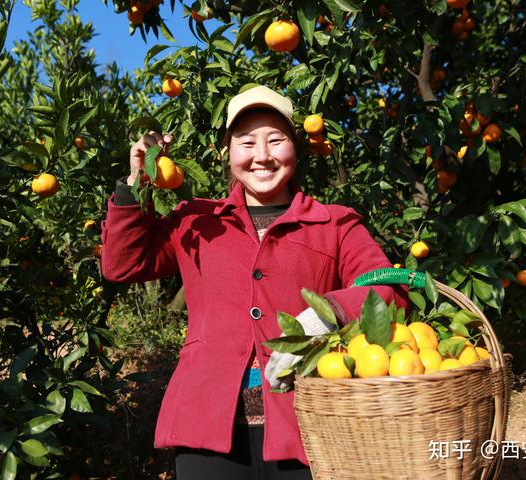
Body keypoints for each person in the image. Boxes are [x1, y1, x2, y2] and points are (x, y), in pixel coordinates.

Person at [101, 85, 408, 480]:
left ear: (295, 148)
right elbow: (123, 265)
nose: (262, 155)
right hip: (207, 430)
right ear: (228, 152)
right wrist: (133, 184)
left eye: (275, 140)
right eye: (247, 142)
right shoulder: (196, 222)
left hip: (307, 428)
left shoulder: (334, 223)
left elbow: (387, 286)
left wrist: (329, 312)